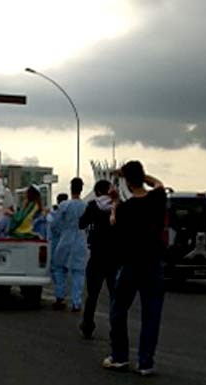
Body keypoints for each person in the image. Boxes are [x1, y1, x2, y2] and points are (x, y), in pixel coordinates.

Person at [103, 161, 166, 376]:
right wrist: (142, 176)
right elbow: (158, 184)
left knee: (118, 310)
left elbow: (113, 223)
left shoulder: (126, 209)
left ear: (127, 183)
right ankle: (145, 362)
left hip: (131, 264)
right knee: (151, 314)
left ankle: (120, 356)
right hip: (153, 264)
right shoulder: (157, 199)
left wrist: (115, 201)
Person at [79, 179, 119, 339]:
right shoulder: (117, 207)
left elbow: (81, 224)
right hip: (113, 257)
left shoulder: (92, 206)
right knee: (114, 295)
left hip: (96, 256)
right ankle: (116, 327)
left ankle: (87, 325)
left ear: (96, 192)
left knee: (92, 295)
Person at [52, 178, 87, 311]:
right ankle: (76, 302)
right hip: (80, 240)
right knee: (78, 272)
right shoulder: (85, 206)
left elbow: (55, 224)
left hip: (65, 239)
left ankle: (60, 297)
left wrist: (61, 232)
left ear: (71, 187)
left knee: (59, 268)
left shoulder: (64, 205)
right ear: (81, 189)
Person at [47, 192, 68, 309]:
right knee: (64, 270)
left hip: (55, 244)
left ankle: (60, 296)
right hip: (67, 243)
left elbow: (51, 228)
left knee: (56, 270)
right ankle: (63, 294)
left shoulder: (53, 215)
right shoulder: (69, 215)